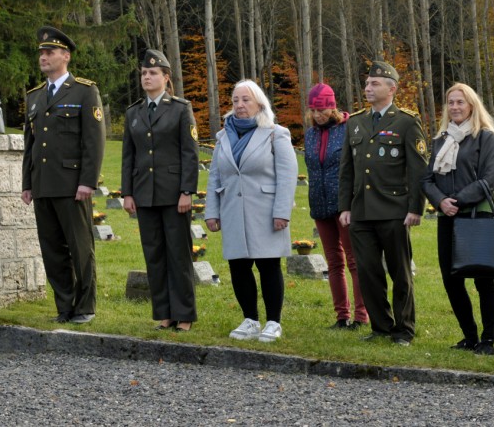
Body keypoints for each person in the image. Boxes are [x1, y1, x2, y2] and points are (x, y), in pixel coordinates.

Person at [338, 61, 428, 347]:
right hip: (362, 210)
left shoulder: (406, 121)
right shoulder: (355, 122)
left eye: (375, 83)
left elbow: (417, 169)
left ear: (392, 88)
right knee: (367, 272)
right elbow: (347, 169)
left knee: (400, 273)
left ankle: (404, 330)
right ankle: (381, 326)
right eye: (367, 83)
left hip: (393, 209)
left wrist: (415, 208)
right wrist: (345, 207)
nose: (368, 88)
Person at [21, 25, 106, 324]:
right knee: (52, 250)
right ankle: (64, 307)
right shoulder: (34, 96)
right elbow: (29, 146)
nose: (43, 57)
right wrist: (27, 184)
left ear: (65, 56)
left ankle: (84, 307)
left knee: (81, 248)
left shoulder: (84, 91)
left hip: (72, 185)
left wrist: (87, 181)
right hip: (43, 185)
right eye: (41, 53)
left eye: (50, 52)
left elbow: (93, 142)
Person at [205, 80, 298, 343]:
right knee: (238, 266)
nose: (240, 105)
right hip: (233, 209)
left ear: (259, 103)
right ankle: (250, 319)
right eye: (235, 100)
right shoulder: (223, 136)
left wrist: (282, 212)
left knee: (269, 265)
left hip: (265, 211)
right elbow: (215, 177)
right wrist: (212, 211)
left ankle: (273, 322)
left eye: (246, 100)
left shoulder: (275, 133)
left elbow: (287, 175)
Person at [121, 49, 199, 332]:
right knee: (154, 256)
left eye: (153, 73)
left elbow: (190, 153)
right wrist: (127, 193)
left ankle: (185, 315)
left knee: (178, 255)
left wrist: (187, 191)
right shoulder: (133, 112)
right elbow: (128, 156)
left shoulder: (180, 109)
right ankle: (164, 314)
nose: (147, 77)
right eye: (143, 73)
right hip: (144, 194)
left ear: (166, 78)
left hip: (173, 193)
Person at [421, 83, 494, 355]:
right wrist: (441, 201)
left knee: (482, 279)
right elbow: (428, 178)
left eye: (460, 102)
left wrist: (457, 200)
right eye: (451, 102)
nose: (455, 107)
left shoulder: (485, 137)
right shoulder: (441, 140)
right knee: (451, 279)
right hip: (448, 216)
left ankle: (487, 340)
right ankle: (469, 336)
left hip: (476, 216)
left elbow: (488, 179)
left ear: (472, 105)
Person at [303, 83, 369, 330]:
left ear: (333, 106)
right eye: (314, 109)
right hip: (319, 203)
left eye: (322, 109)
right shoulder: (310, 134)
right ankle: (342, 315)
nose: (318, 114)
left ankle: (361, 316)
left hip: (344, 204)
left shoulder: (349, 128)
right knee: (333, 261)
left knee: (354, 260)